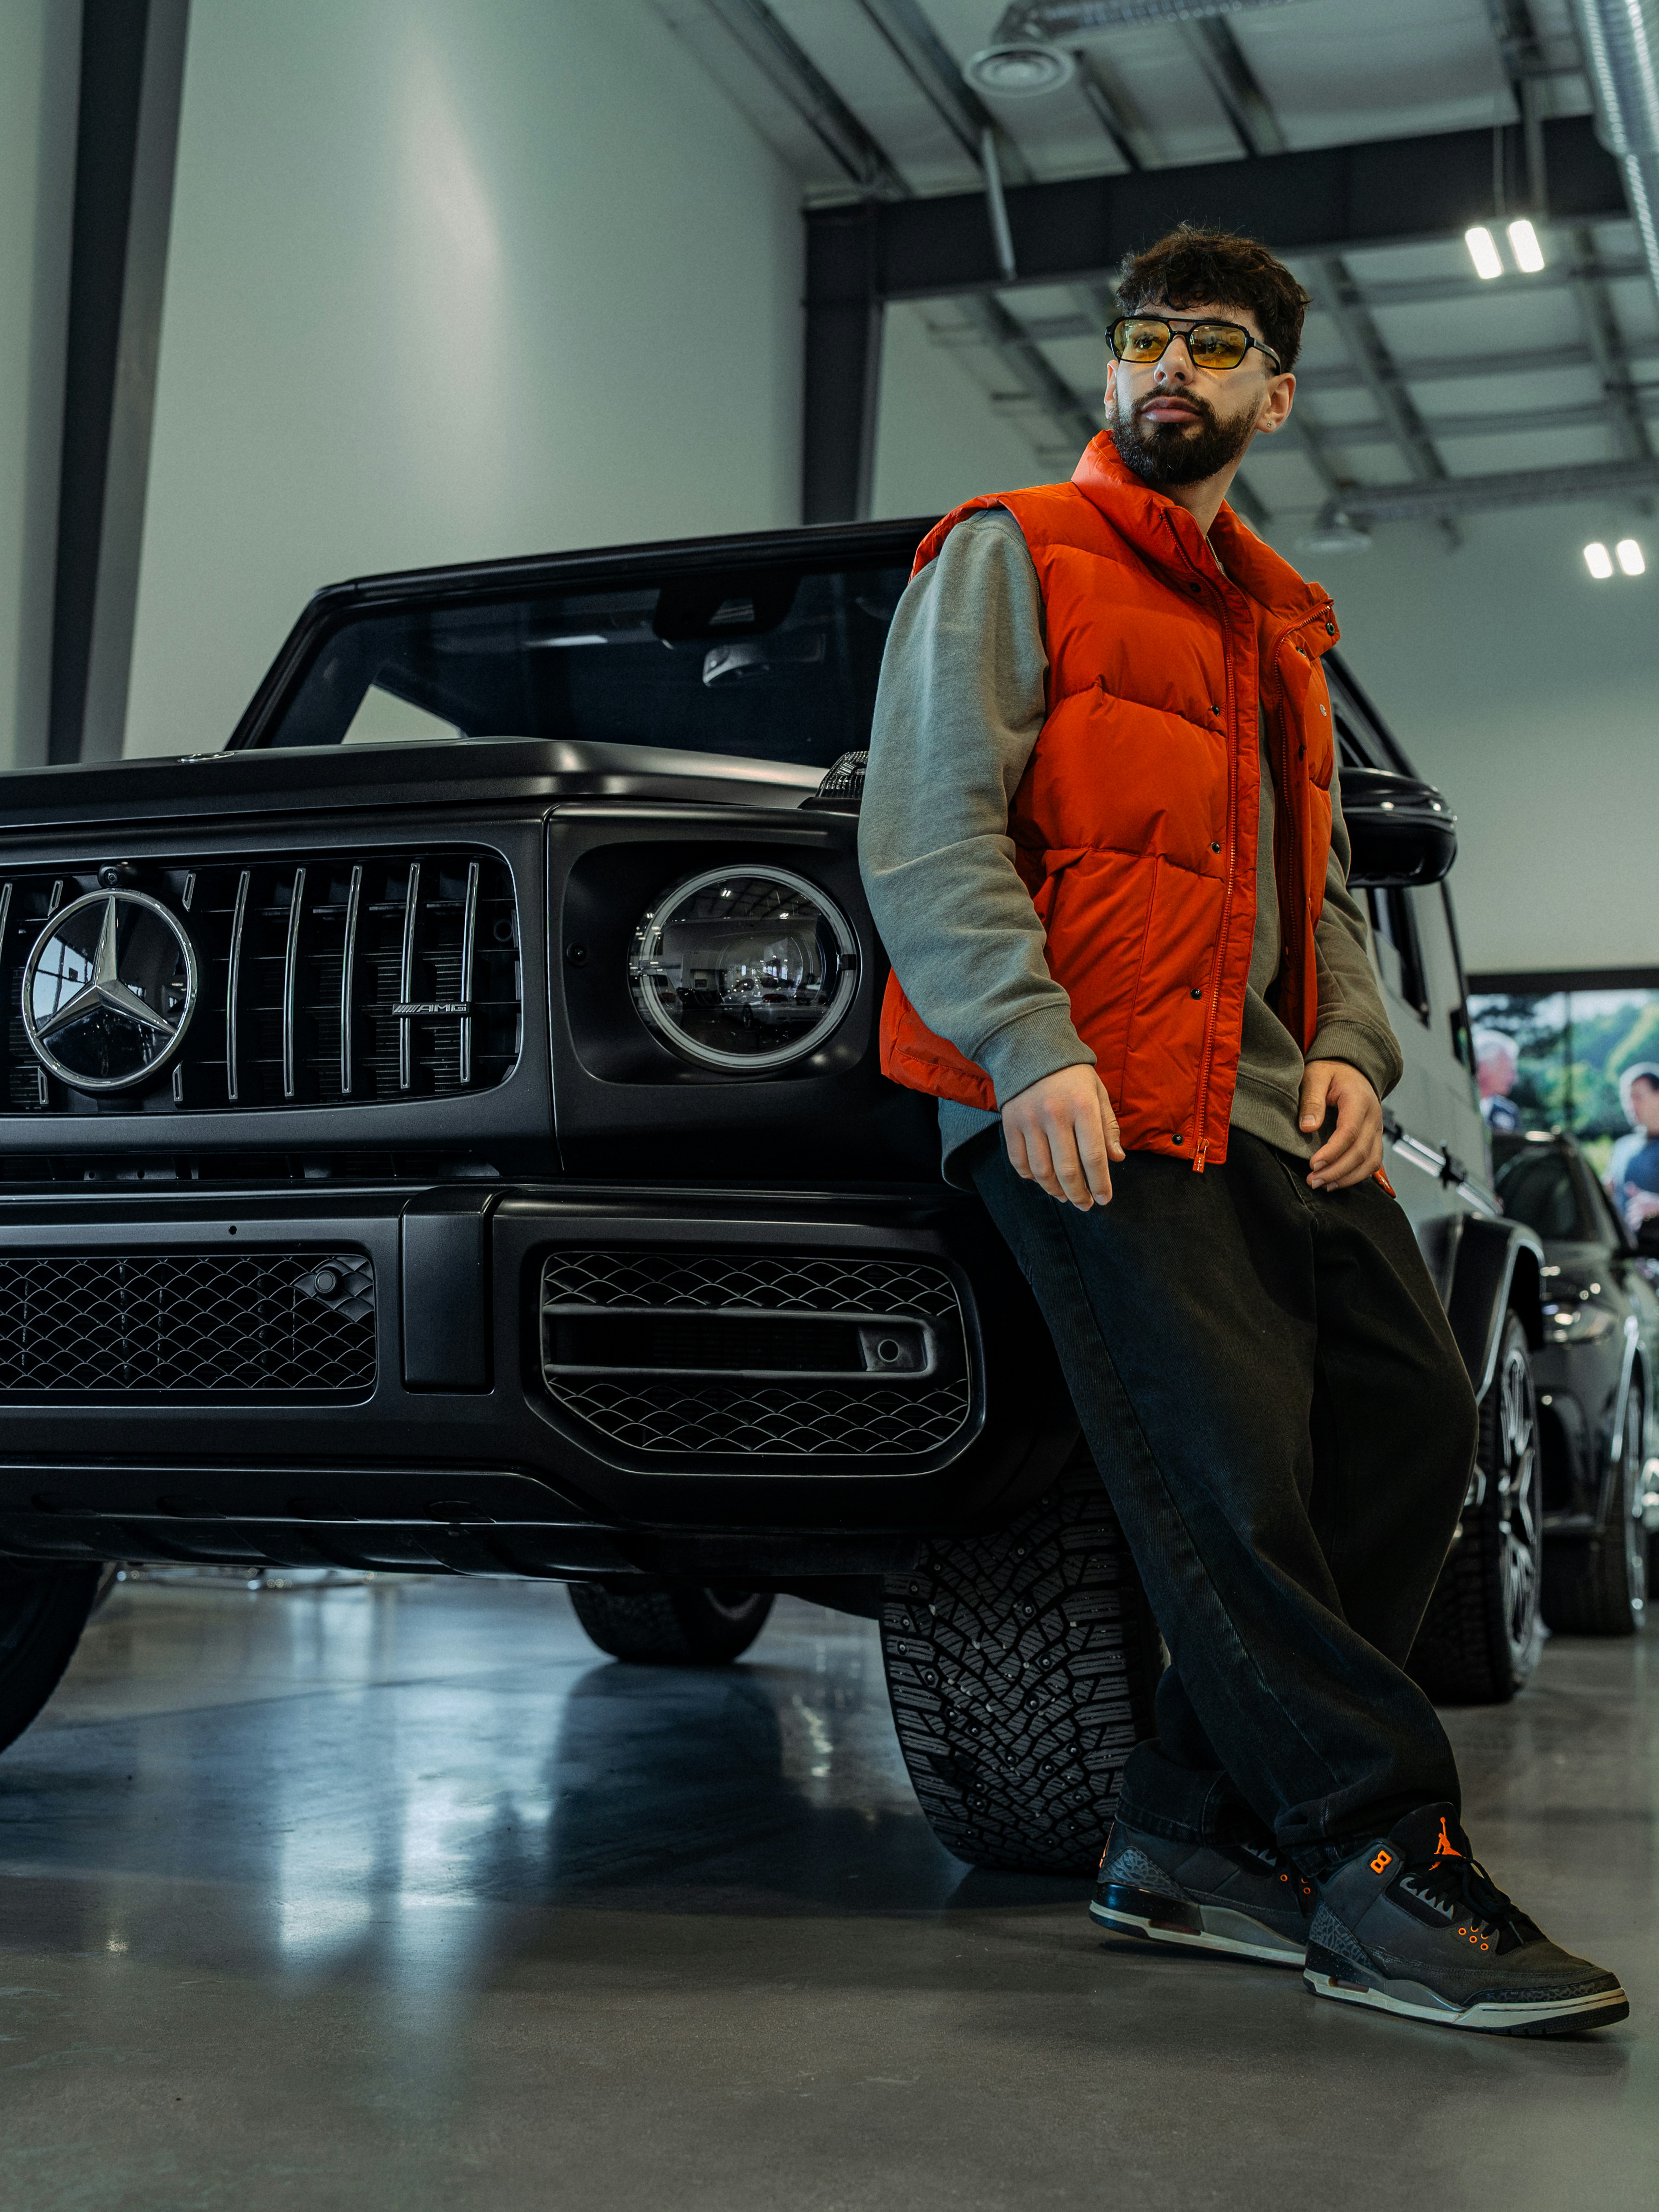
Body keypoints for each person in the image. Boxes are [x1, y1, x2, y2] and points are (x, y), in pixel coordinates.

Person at [859, 224, 1626, 2037]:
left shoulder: (1274, 619)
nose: (1171, 369)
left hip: (1272, 1098)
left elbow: (1322, 893)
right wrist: (1027, 1042)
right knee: (1224, 1469)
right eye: (1145, 338)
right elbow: (926, 818)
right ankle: (1371, 1855)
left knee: (1412, 1412)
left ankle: (1189, 1834)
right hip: (1089, 1093)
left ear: (1275, 394)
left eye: (1213, 345)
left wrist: (1354, 1042)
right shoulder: (1009, 551)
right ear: (1111, 369)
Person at [1606, 1062, 1659, 1233]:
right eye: (1627, 1098)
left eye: (1638, 1097)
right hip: (1627, 1254)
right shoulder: (1623, 1147)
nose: (1631, 1105)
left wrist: (1656, 1205)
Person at [1475, 1029, 1523, 1131]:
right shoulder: (1456, 1101)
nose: (1514, 1079)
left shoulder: (1509, 1113)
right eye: (1507, 1071)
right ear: (1484, 1068)